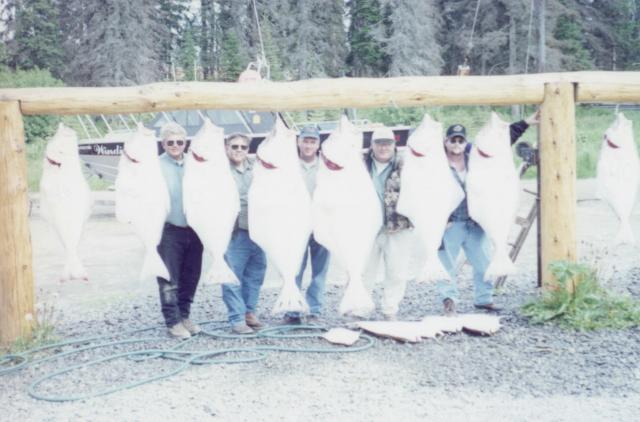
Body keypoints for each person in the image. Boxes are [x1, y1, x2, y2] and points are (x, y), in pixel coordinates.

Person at [439, 111, 540, 315]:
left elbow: (504, 138)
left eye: (460, 140)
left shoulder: (474, 155)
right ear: (446, 141)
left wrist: (527, 122)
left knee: (483, 262)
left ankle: (484, 299)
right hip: (451, 222)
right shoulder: (436, 161)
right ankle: (448, 299)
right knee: (446, 263)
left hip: (477, 221)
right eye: (452, 140)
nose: (457, 143)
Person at [157, 122, 204, 339]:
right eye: (170, 142)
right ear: (163, 143)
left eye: (179, 141)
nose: (175, 145)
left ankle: (185, 315)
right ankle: (173, 321)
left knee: (190, 276)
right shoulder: (155, 166)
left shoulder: (195, 164)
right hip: (168, 230)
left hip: (195, 229)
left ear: (185, 143)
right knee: (168, 278)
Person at [362, 127, 415, 320]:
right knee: (363, 271)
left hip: (398, 226)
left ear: (394, 145)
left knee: (397, 271)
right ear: (372, 145)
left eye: (388, 143)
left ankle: (389, 309)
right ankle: (360, 308)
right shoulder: (360, 164)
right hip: (366, 228)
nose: (383, 147)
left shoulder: (408, 164)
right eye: (379, 143)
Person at [282, 125, 330, 325]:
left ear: (318, 144)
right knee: (294, 268)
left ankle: (313, 309)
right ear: (298, 142)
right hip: (295, 225)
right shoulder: (287, 165)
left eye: (313, 141)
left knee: (320, 270)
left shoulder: (328, 166)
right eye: (305, 140)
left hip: (323, 224)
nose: (309, 145)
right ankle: (292, 310)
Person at [221, 133, 267, 334]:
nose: (239, 150)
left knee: (255, 274)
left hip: (258, 231)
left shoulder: (258, 168)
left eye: (243, 147)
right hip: (233, 232)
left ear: (248, 149)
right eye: (234, 146)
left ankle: (249, 312)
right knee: (232, 277)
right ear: (226, 147)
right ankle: (236, 319)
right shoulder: (218, 170)